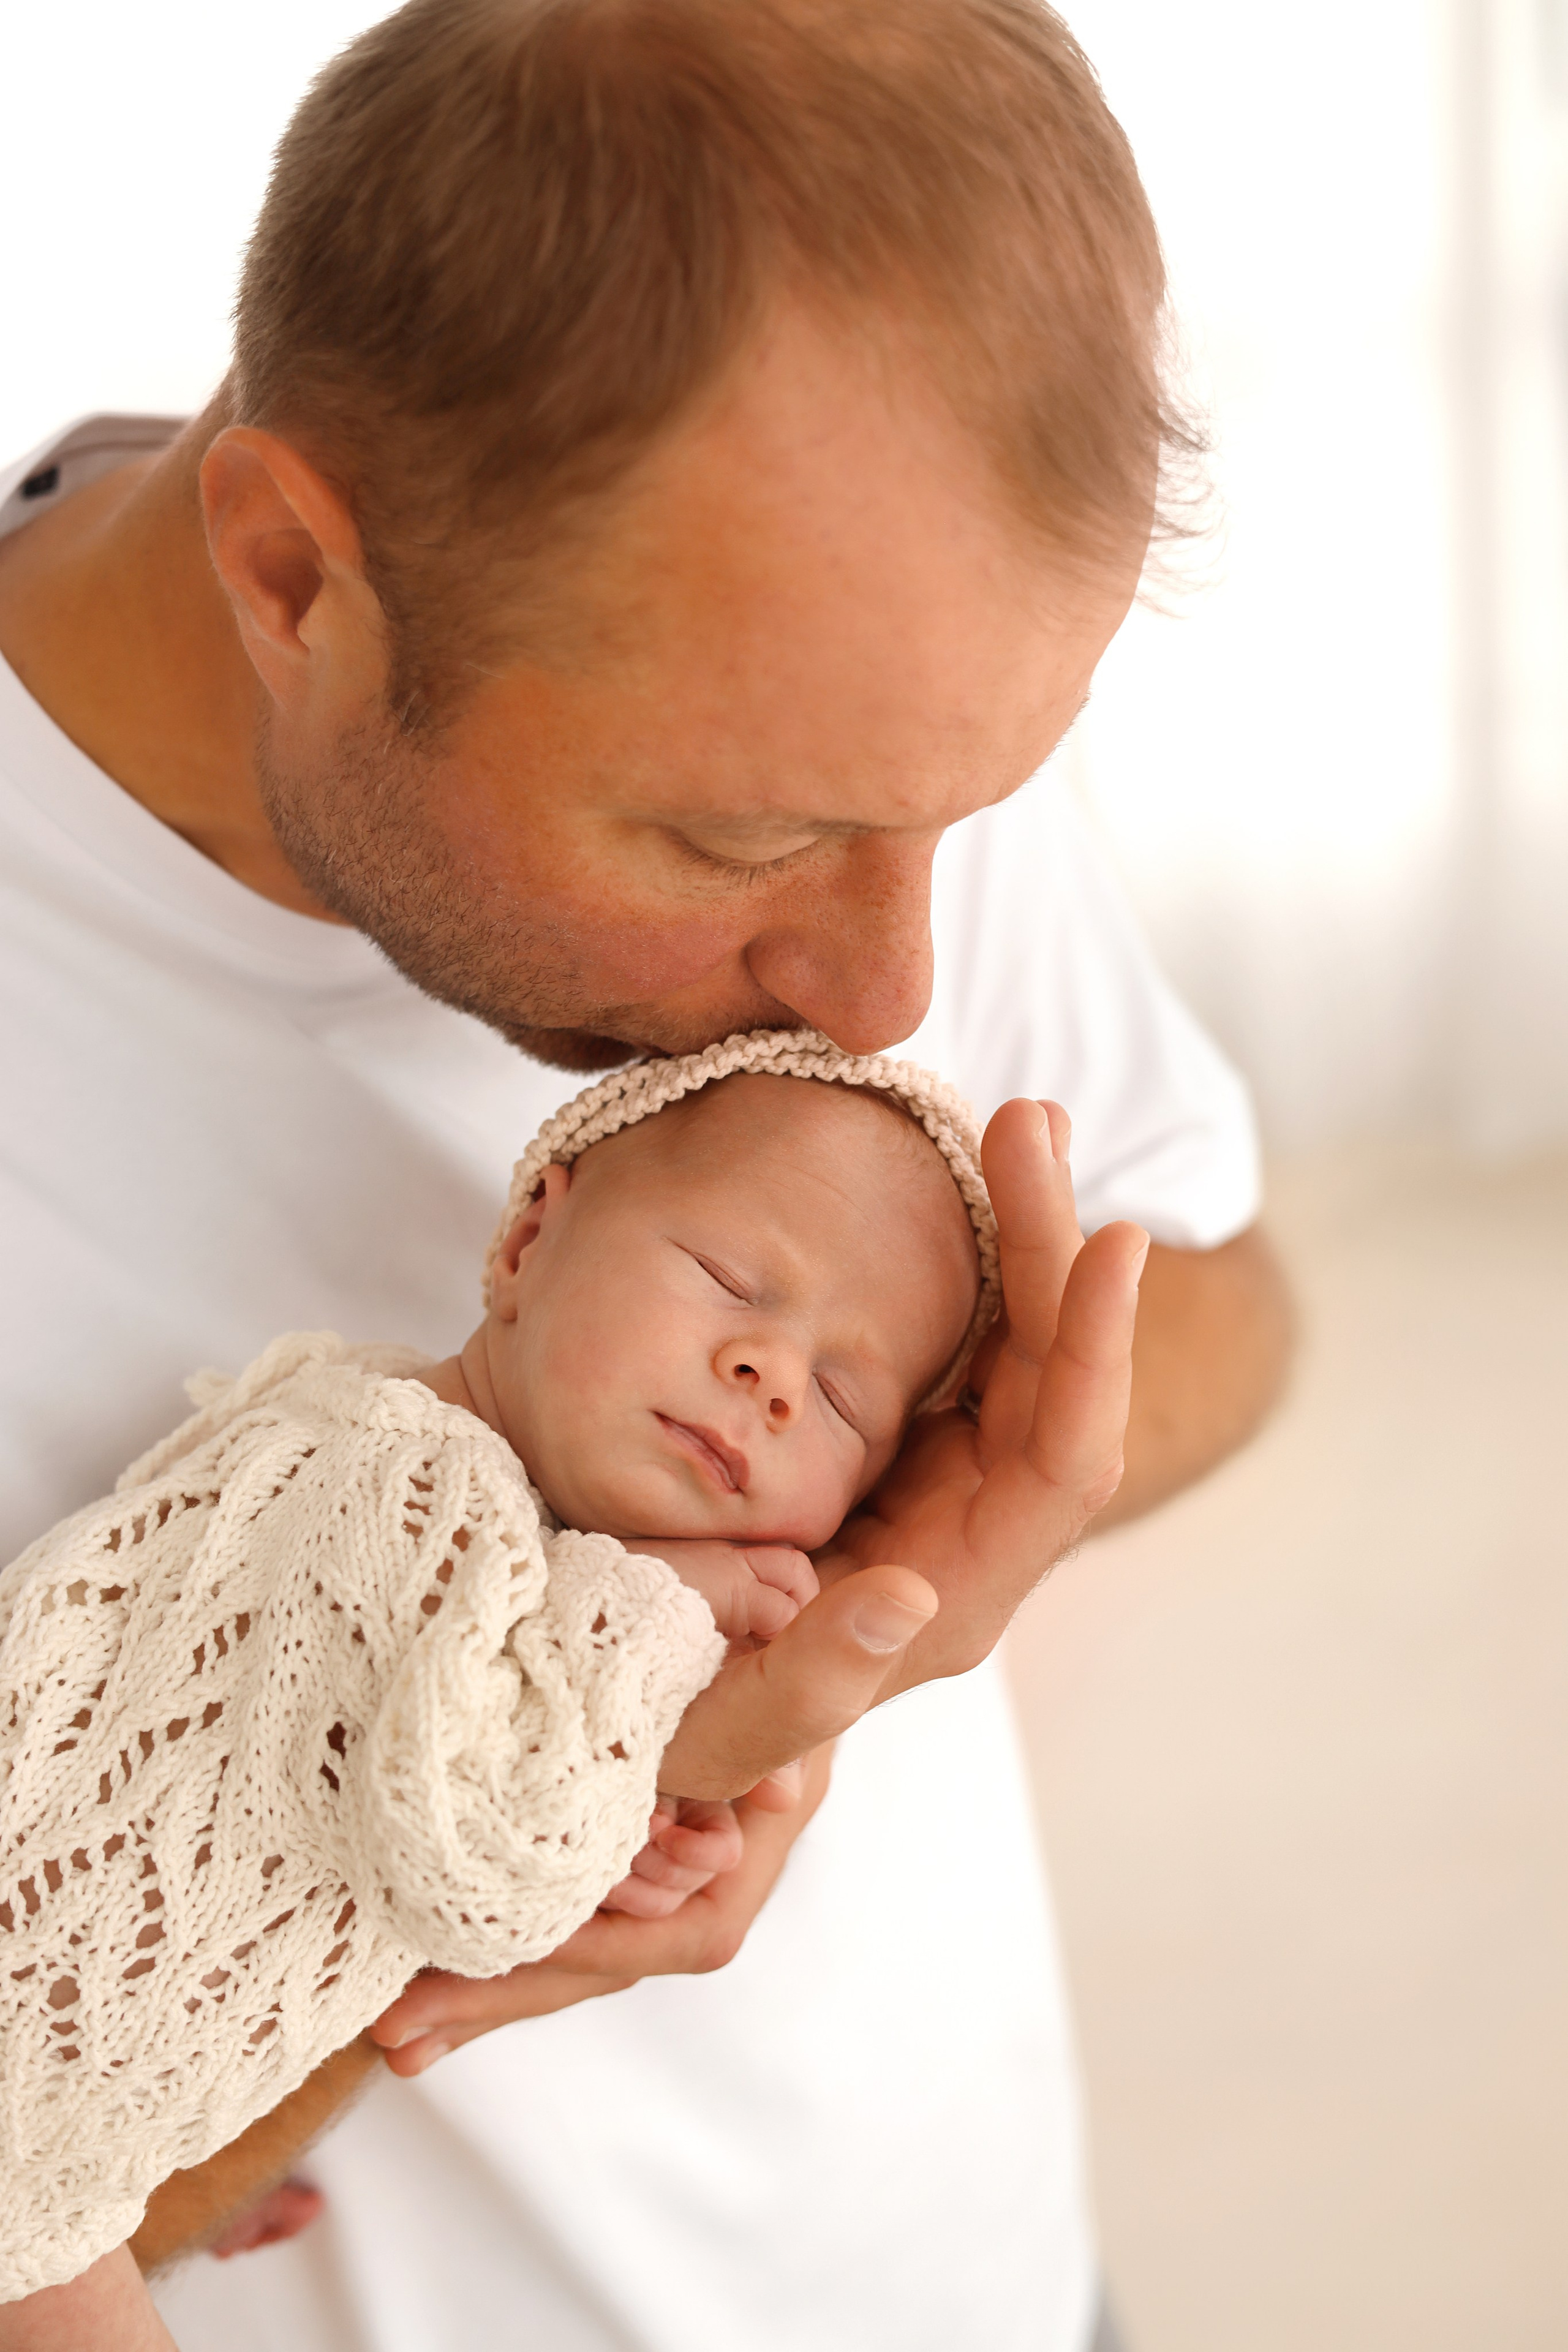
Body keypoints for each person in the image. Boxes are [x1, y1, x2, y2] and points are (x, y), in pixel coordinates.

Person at [0, 2, 1290, 2346]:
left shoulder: (840, 694)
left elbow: (1218, 1277)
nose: (890, 984)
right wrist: (576, 1794)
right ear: (297, 575)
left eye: (954, 821)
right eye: (740, 837)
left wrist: (894, 1567)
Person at [1, 1036, 1052, 2312]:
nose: (769, 1378)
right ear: (526, 1242)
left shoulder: (366, 1427)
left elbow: (250, 1820)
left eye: (841, 1399)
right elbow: (482, 1875)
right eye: (730, 1281)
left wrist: (198, 2099)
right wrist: (659, 1628)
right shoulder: (429, 1499)